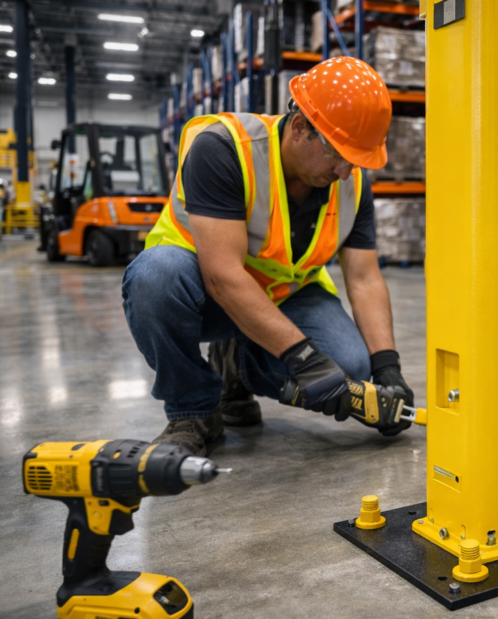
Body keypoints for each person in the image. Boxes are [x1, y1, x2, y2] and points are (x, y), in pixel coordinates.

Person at [123, 57, 414, 457]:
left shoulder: (351, 183)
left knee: (351, 370)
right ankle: (193, 411)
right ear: (300, 128)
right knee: (154, 278)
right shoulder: (224, 149)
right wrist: (305, 359)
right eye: (337, 154)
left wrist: (387, 368)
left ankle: (236, 365)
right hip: (204, 290)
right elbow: (222, 276)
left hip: (284, 294)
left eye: (356, 159)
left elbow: (364, 279)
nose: (346, 172)